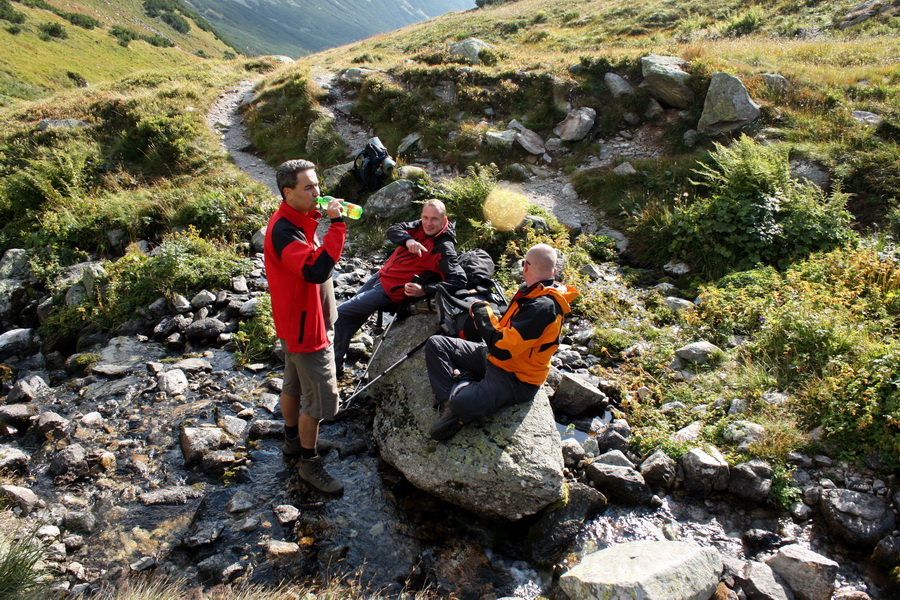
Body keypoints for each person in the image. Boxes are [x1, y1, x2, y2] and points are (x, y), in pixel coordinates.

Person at [424, 243, 579, 440]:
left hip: (516, 377)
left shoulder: (543, 306)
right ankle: (458, 392)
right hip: (494, 358)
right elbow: (508, 334)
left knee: (460, 403)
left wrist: (482, 311)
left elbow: (502, 349)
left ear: (525, 267)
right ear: (554, 271)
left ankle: (456, 399)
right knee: (436, 343)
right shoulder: (534, 292)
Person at [264, 159, 346, 494]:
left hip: (295, 321)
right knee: (321, 401)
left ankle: (293, 441)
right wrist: (337, 226)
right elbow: (315, 270)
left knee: (293, 383)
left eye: (317, 184)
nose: (318, 192)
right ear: (288, 192)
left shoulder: (295, 220)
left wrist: (318, 216)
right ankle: (309, 465)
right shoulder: (284, 230)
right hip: (305, 329)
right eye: (309, 187)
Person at [333, 199, 466, 375]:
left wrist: (424, 290)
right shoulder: (419, 226)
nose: (428, 223)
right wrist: (409, 241)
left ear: (444, 220)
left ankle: (331, 367)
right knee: (352, 316)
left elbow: (459, 279)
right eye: (425, 217)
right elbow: (393, 229)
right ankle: (337, 362)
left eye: (434, 219)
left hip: (390, 291)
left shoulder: (443, 247)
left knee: (341, 313)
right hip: (381, 276)